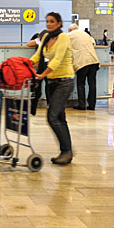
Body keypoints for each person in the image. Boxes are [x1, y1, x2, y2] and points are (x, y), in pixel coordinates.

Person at [30, 12, 74, 165]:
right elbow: (37, 56)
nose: (48, 24)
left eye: (52, 21)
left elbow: (57, 60)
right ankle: (67, 150)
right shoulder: (46, 38)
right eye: (47, 21)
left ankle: (66, 151)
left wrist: (42, 74)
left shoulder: (63, 38)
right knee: (60, 117)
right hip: (52, 83)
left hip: (64, 81)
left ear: (59, 23)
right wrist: (24, 65)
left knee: (53, 117)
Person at [68, 24, 100, 110]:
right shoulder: (86, 34)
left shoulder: (69, 35)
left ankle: (82, 105)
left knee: (81, 84)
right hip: (93, 60)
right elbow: (93, 43)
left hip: (82, 62)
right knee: (92, 84)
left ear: (70, 30)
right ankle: (92, 105)